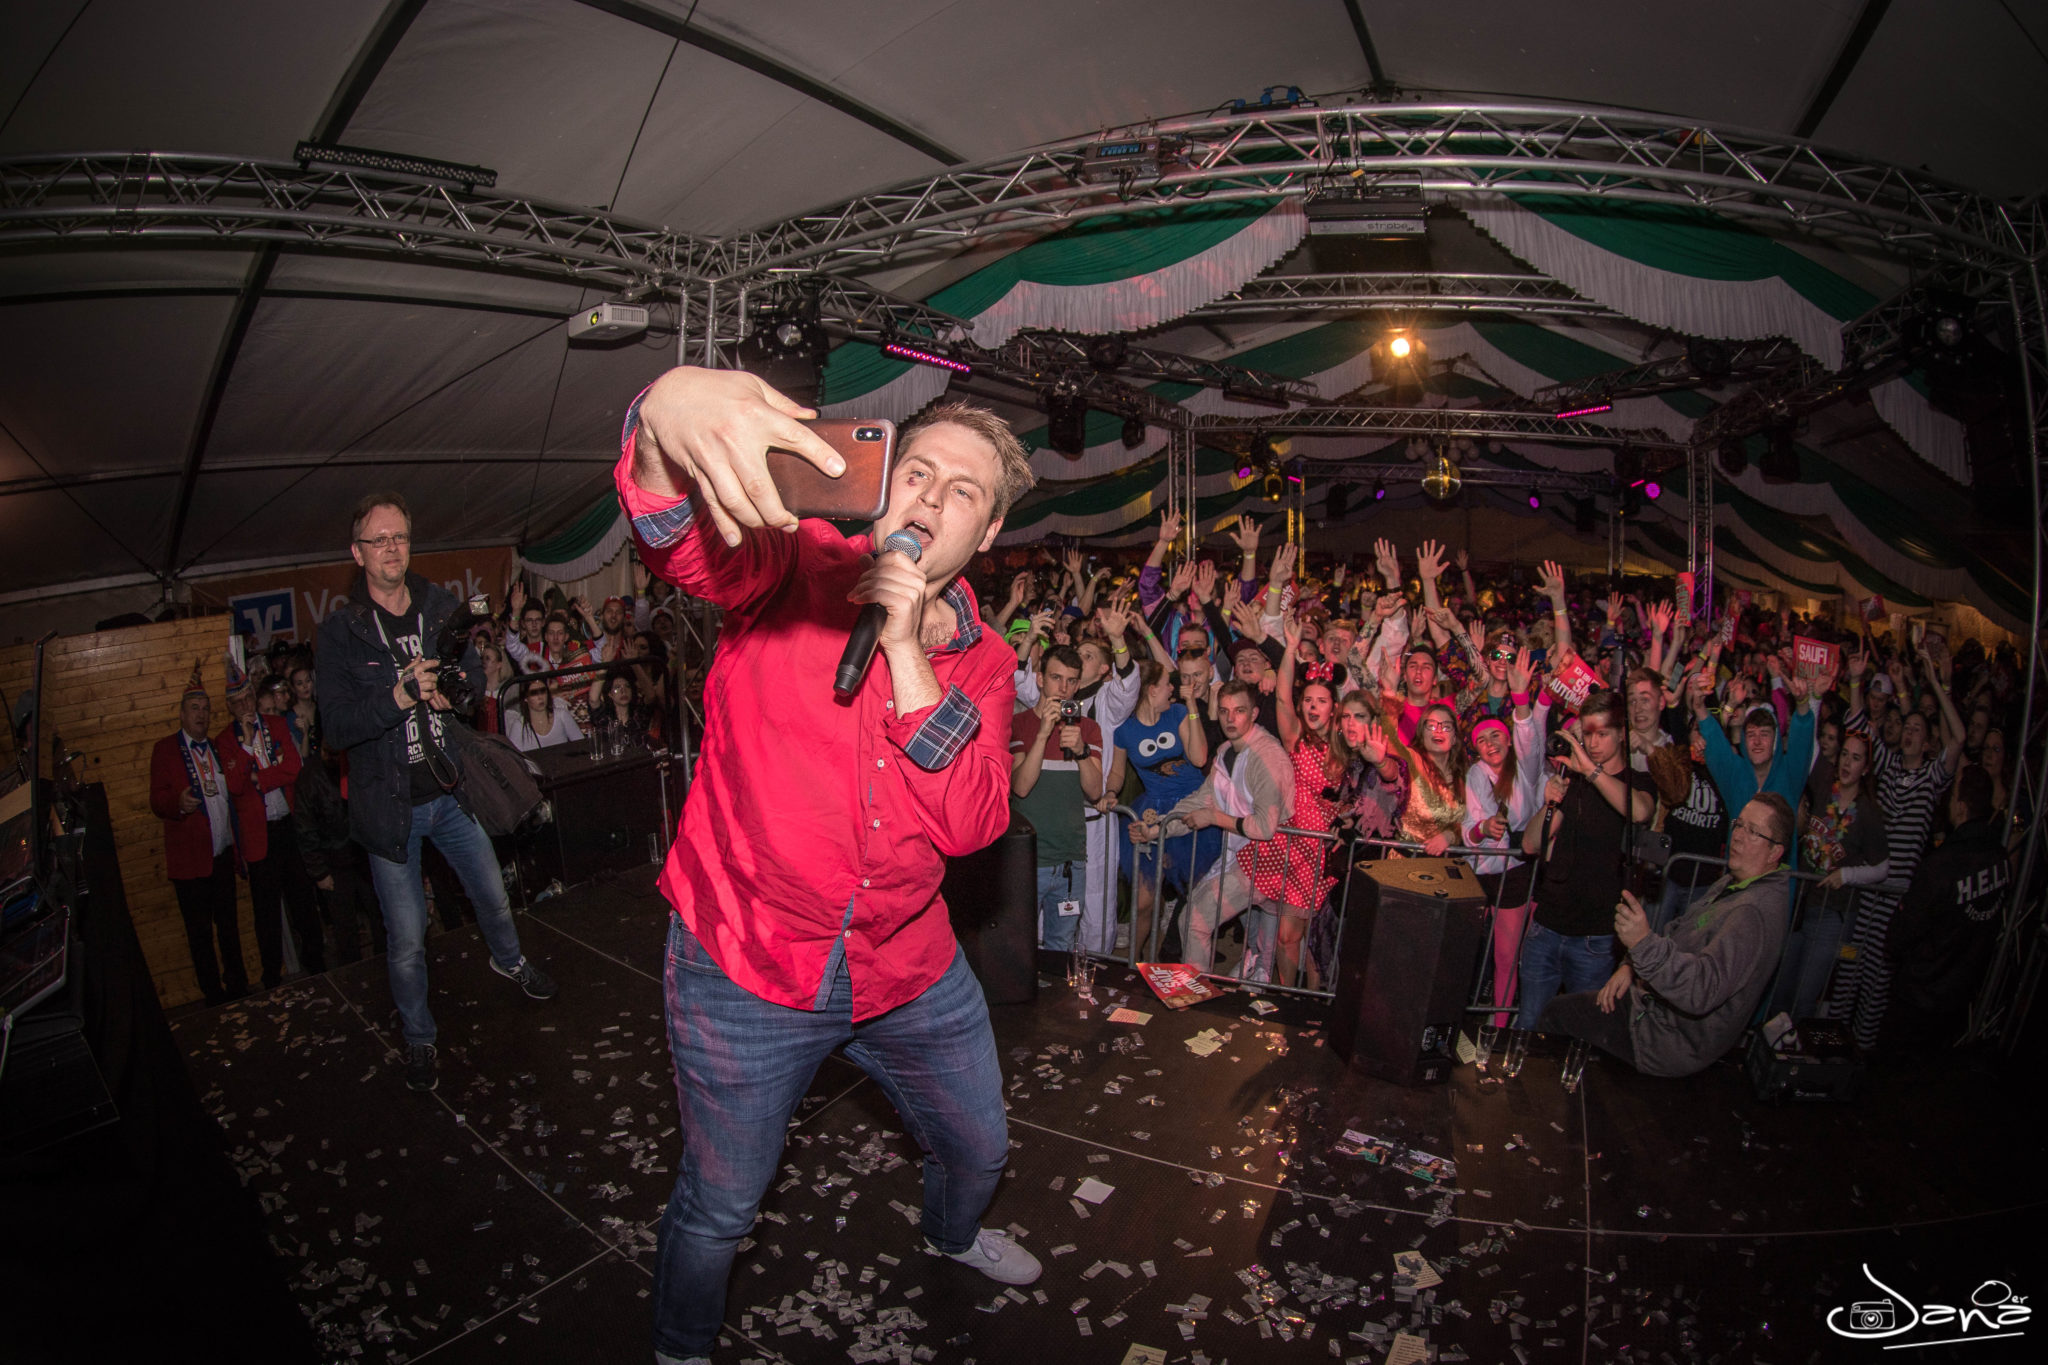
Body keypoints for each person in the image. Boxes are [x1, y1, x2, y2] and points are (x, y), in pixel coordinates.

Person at [620, 367, 1045, 1365]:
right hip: (749, 964)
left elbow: (973, 822)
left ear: (987, 533)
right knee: (721, 1206)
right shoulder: (793, 561)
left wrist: (907, 653)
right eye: (919, 473)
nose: (930, 499)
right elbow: (677, 540)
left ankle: (950, 1236)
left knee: (979, 1147)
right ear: (885, 481)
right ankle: (680, 1347)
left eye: (963, 493)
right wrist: (658, 426)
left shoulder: (985, 661)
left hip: (906, 966)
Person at [317, 492, 558, 1095]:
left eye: (399, 536)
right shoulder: (342, 632)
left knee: (493, 898)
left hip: (450, 792)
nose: (391, 548)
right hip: (389, 808)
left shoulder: (437, 605)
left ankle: (510, 961)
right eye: (378, 540)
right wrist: (397, 697)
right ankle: (419, 1037)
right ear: (357, 553)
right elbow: (335, 728)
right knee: (406, 939)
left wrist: (459, 690)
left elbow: (473, 670)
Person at [1541, 794, 1795, 1078]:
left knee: (1557, 1017)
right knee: (1564, 1012)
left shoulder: (1752, 913)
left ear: (1775, 852)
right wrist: (1631, 964)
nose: (1738, 836)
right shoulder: (1735, 884)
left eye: (1754, 832)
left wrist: (1642, 944)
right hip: (1653, 1012)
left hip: (1665, 1040)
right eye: (1739, 825)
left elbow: (1701, 990)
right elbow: (1678, 929)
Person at [1131, 681, 1293, 980]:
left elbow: (1265, 827)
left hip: (1270, 860)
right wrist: (1156, 829)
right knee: (1198, 922)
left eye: (1239, 711)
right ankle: (1204, 989)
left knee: (1201, 922)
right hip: (1241, 856)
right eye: (1224, 711)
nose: (1231, 718)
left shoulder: (1267, 756)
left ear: (1254, 714)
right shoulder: (1226, 751)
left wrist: (1215, 818)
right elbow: (1200, 801)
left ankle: (1200, 993)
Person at [1514, 690, 1657, 1028]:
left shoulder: (1638, 782)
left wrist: (1590, 770)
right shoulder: (1574, 783)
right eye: (1588, 734)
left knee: (1581, 1034)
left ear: (1621, 734)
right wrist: (1549, 804)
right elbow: (1531, 844)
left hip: (1595, 937)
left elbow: (1639, 811)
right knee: (1529, 1024)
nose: (1592, 743)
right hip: (1547, 927)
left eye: (1602, 733)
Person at [1240, 618, 1347, 987]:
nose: (1313, 707)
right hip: (1293, 845)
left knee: (1314, 939)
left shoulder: (1347, 747)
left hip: (1325, 853)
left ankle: (1311, 1000)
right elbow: (1283, 696)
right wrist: (1288, 649)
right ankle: (1288, 996)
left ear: (1334, 708)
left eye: (1322, 701)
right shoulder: (1296, 738)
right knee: (1288, 936)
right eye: (1309, 701)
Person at [1883, 766, 2011, 1048]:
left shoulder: (1942, 865)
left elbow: (1902, 934)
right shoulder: (2000, 858)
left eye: (1952, 796)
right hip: (1959, 993)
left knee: (1895, 1067)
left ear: (1961, 807)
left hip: (1921, 993)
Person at [149, 665, 251, 1005]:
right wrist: (177, 803)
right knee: (200, 934)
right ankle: (213, 995)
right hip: (190, 862)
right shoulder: (165, 750)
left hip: (221, 855)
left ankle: (238, 986)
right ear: (181, 714)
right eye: (194, 708)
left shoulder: (219, 747)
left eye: (206, 709)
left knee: (229, 927)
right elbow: (156, 800)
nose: (201, 715)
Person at [1100, 659, 1212, 961]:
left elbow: (1199, 758)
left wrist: (1192, 706)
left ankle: (1186, 961)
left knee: (1198, 899)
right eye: (1166, 685)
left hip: (1189, 809)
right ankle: (1133, 964)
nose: (1172, 689)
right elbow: (1117, 772)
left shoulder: (1177, 713)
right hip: (1151, 810)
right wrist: (1110, 792)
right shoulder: (1124, 730)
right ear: (1151, 690)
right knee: (1144, 902)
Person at [220, 663, 325, 985]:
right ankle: (271, 976)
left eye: (248, 698)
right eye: (237, 702)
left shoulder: (277, 725)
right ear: (229, 707)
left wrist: (259, 778)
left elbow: (293, 768)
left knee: (303, 899)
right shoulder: (226, 741)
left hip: (288, 827)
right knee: (266, 913)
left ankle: (317, 963)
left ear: (255, 697)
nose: (244, 706)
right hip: (259, 836)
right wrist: (246, 746)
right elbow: (236, 785)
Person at [1780, 729, 1889, 1019]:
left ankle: (1797, 1046)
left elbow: (1883, 868)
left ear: (1866, 768)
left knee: (1805, 997)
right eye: (1844, 755)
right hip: (1801, 905)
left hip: (1833, 914)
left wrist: (1848, 875)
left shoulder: (1868, 812)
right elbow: (1810, 740)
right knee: (1782, 988)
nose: (1847, 763)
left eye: (1856, 758)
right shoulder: (1824, 785)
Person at [1463, 648, 1547, 1026]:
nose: (1491, 743)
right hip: (1486, 876)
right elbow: (1470, 827)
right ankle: (1482, 1021)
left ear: (1508, 740)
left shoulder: (1525, 769)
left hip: (1519, 875)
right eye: (1482, 740)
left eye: (1497, 735)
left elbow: (1530, 738)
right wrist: (1483, 829)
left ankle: (1504, 1027)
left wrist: (1522, 698)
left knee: (1512, 957)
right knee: (1484, 954)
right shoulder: (1475, 774)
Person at [1010, 645, 1105, 952]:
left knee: (1061, 946)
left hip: (1070, 860)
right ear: (1040, 679)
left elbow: (1095, 792)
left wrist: (1081, 752)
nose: (1063, 688)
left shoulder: (1088, 728)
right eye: (1055, 678)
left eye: (1071, 680)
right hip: (1027, 860)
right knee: (1018, 946)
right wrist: (1042, 734)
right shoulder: (1018, 723)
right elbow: (1021, 787)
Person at [294, 744, 386, 964]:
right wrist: (319, 872)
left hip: (364, 854)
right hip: (333, 863)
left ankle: (388, 966)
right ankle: (354, 976)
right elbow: (304, 828)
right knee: (345, 928)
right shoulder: (310, 777)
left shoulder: (358, 759)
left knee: (381, 914)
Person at [505, 675, 584, 752]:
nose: (540, 697)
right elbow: (513, 758)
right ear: (525, 698)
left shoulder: (562, 715)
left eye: (543, 691)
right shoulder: (519, 726)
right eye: (534, 693)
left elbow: (582, 745)